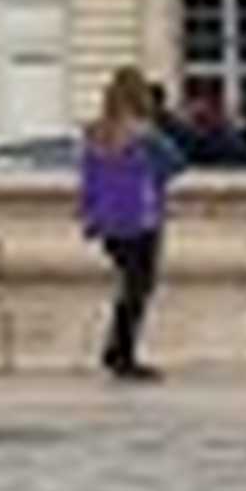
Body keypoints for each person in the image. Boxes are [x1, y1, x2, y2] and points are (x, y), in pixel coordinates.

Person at [77, 67, 182, 383]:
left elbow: (88, 180)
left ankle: (117, 350)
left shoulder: (96, 133)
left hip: (109, 221)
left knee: (128, 286)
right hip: (142, 218)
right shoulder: (145, 133)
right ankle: (122, 354)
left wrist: (90, 216)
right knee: (139, 287)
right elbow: (175, 163)